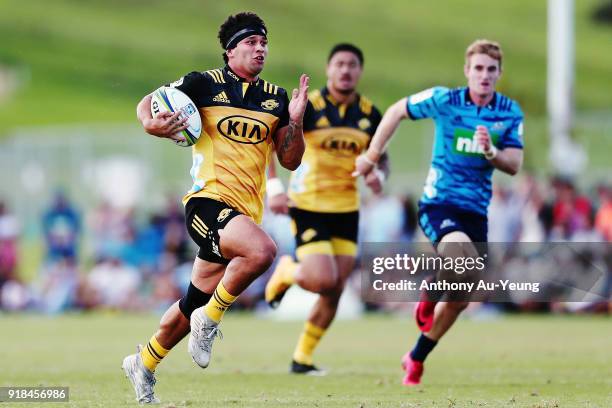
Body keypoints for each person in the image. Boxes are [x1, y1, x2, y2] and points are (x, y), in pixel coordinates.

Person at [122, 12, 309, 404]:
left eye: (264, 43)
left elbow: (290, 160)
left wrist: (295, 122)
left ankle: (145, 362)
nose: (261, 49)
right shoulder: (202, 84)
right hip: (206, 203)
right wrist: (148, 123)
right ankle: (211, 320)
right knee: (263, 251)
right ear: (230, 51)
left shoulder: (275, 97)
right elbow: (149, 102)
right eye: (251, 43)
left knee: (191, 303)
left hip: (243, 215)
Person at [353, 39, 524, 386]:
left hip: (476, 211)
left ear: (499, 73)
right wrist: (371, 156)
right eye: (478, 68)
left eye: (491, 70)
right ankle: (430, 294)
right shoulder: (446, 100)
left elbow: (515, 165)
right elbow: (397, 110)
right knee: (461, 257)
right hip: (439, 203)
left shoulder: (508, 112)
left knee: (462, 296)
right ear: (467, 71)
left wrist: (491, 151)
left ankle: (416, 357)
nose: (484, 75)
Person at [265, 43, 387, 375]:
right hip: (309, 204)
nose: (346, 70)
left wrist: (378, 175)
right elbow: (273, 144)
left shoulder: (369, 114)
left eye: (352, 65)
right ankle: (288, 271)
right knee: (321, 279)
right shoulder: (311, 106)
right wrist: (274, 187)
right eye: (339, 64)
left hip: (347, 209)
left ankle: (302, 358)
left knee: (334, 289)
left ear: (360, 71)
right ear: (328, 69)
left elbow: (380, 158)